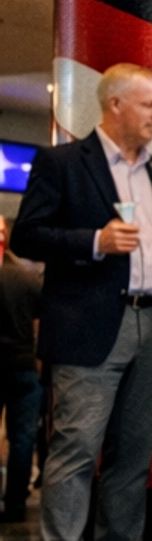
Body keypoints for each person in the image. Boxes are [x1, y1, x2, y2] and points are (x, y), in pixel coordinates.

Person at [10, 63, 152, 541]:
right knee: (74, 451)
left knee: (133, 455)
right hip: (88, 327)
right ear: (115, 105)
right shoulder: (63, 163)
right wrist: (95, 241)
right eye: (149, 104)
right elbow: (27, 236)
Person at [1, 222, 43, 522]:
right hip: (24, 366)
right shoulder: (28, 280)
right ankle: (16, 504)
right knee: (23, 438)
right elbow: (39, 328)